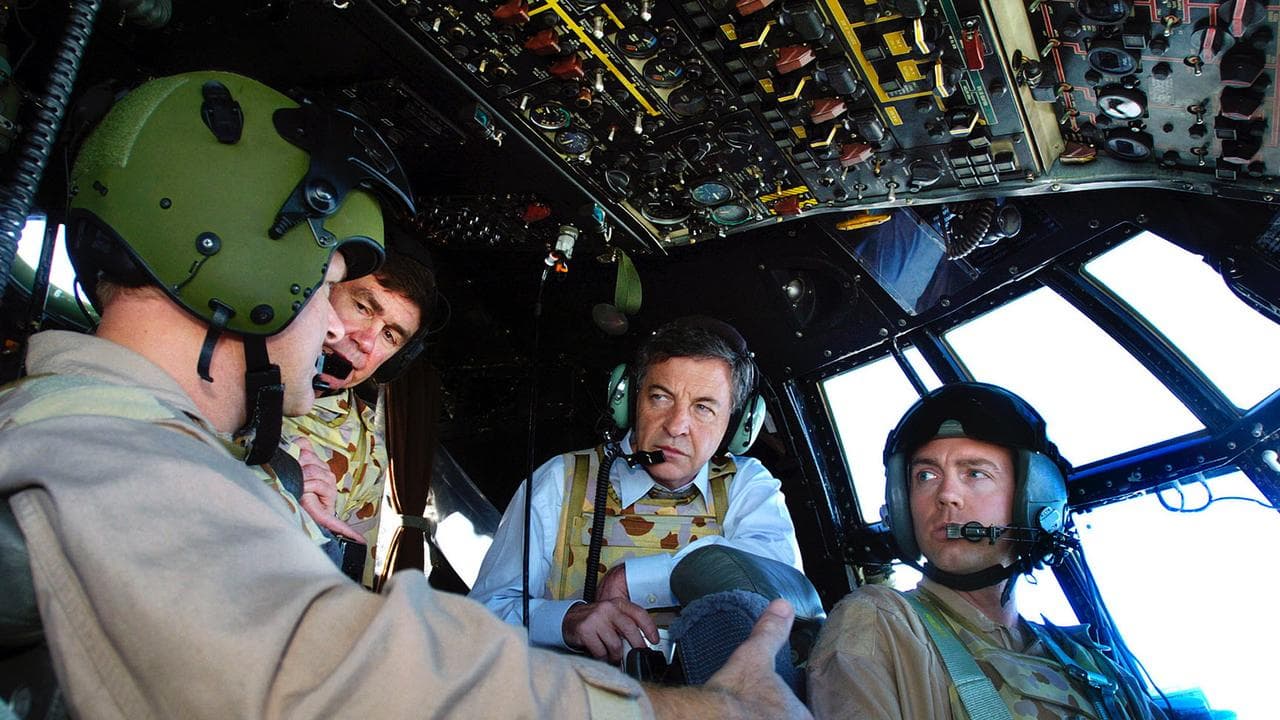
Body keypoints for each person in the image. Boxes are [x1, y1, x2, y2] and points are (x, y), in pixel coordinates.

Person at [0, 70, 810, 719]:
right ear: (244, 269)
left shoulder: (110, 436)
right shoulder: (119, 457)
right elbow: (329, 682)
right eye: (331, 288)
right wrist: (704, 711)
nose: (333, 331)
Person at [806, 382, 1167, 719]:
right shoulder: (881, 623)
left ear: (1033, 498)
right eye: (925, 476)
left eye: (975, 473)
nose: (947, 495)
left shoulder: (1093, 664)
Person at [471, 316, 803, 662]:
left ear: (736, 425)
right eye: (660, 397)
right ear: (629, 400)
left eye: (703, 407)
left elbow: (781, 583)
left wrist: (641, 579)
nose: (676, 426)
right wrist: (564, 621)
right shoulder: (561, 479)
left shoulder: (746, 484)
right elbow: (483, 615)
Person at [261, 246, 435, 588]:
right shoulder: (222, 366)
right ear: (322, 290)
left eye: (389, 335)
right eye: (362, 307)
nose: (366, 341)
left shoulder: (367, 449)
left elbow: (344, 585)